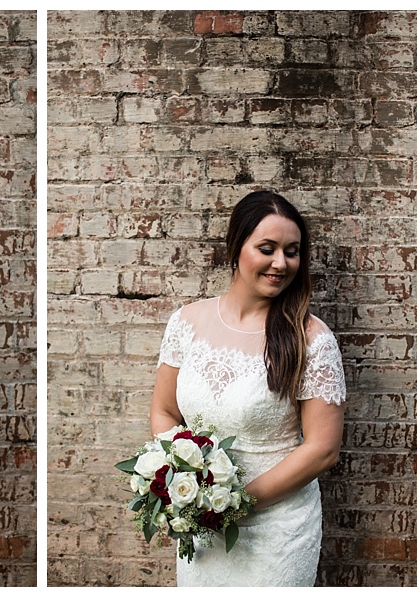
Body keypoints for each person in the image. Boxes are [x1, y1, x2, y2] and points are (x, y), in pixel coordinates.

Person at [149, 191, 345, 586]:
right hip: (202, 522)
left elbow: (323, 449)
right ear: (236, 246)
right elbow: (165, 411)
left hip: (278, 529)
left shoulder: (311, 339)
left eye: (292, 252)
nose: (281, 263)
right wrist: (187, 485)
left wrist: (233, 504)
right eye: (267, 248)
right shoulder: (187, 322)